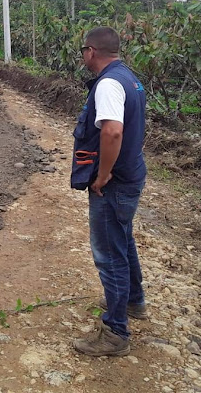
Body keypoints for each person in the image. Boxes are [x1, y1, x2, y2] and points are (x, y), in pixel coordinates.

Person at [71, 27, 148, 357]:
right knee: (123, 238)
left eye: (83, 51)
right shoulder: (128, 78)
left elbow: (113, 132)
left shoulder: (107, 85)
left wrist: (102, 176)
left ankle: (115, 333)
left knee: (109, 255)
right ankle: (133, 300)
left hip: (114, 184)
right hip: (131, 175)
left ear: (91, 51)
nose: (83, 57)